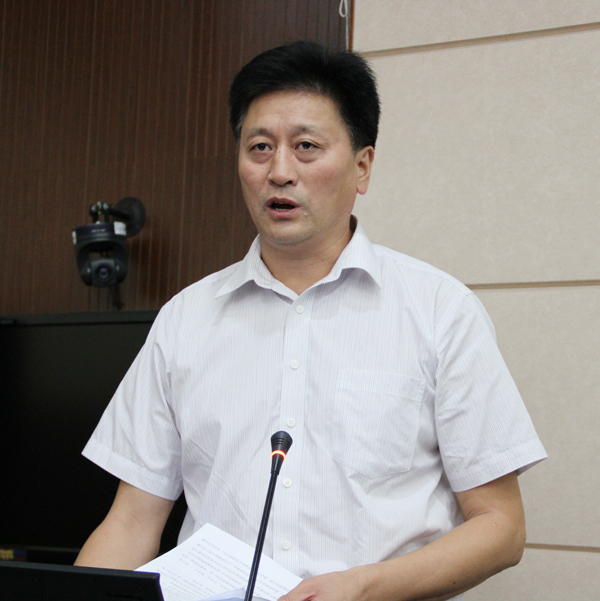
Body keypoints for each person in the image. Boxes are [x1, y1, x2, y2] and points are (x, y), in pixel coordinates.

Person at [75, 41, 547, 601]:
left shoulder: (439, 310)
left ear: (362, 167)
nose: (280, 172)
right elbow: (132, 522)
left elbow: (500, 527)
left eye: (306, 147)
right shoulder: (185, 319)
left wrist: (362, 587)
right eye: (259, 148)